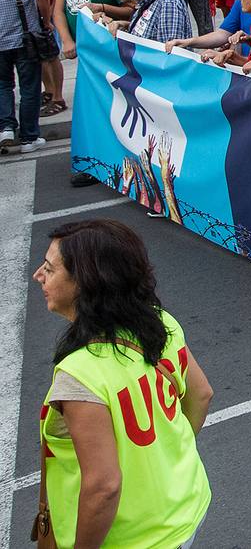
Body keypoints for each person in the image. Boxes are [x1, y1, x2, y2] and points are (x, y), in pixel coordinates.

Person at [33, 220, 214, 549]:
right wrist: (165, 463)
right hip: (187, 505)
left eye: (49, 268)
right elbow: (201, 396)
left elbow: (103, 488)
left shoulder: (80, 374)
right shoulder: (160, 322)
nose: (38, 275)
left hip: (134, 540)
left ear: (84, 284)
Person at [0, 0, 51, 152]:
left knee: (2, 85)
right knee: (29, 87)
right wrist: (46, 23)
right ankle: (29, 138)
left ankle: (5, 128)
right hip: (25, 38)